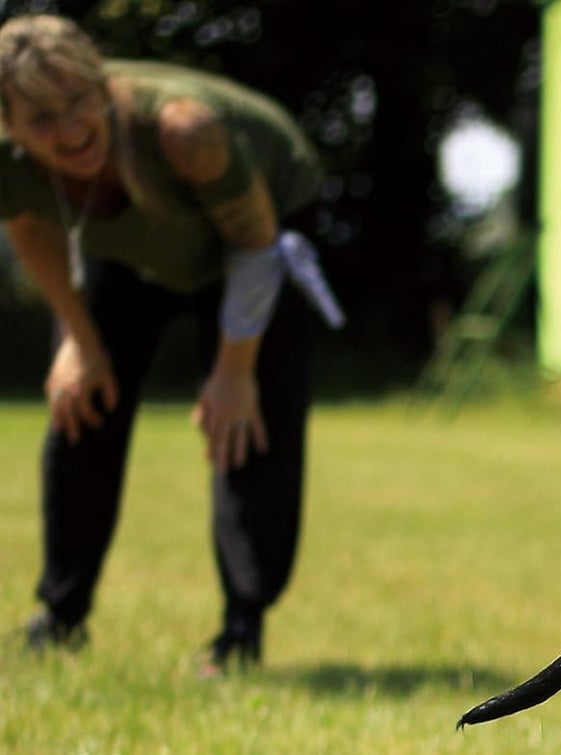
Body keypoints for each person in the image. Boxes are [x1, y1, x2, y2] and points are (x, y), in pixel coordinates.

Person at [0, 15, 342, 671]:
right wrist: (77, 334)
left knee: (244, 425)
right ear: (10, 129)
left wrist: (234, 369)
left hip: (256, 243)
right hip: (128, 252)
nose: (70, 129)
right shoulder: (5, 159)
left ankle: (240, 633)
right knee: (80, 402)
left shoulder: (185, 131)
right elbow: (26, 223)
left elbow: (253, 240)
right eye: (41, 119)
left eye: (79, 101)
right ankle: (61, 616)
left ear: (103, 83)